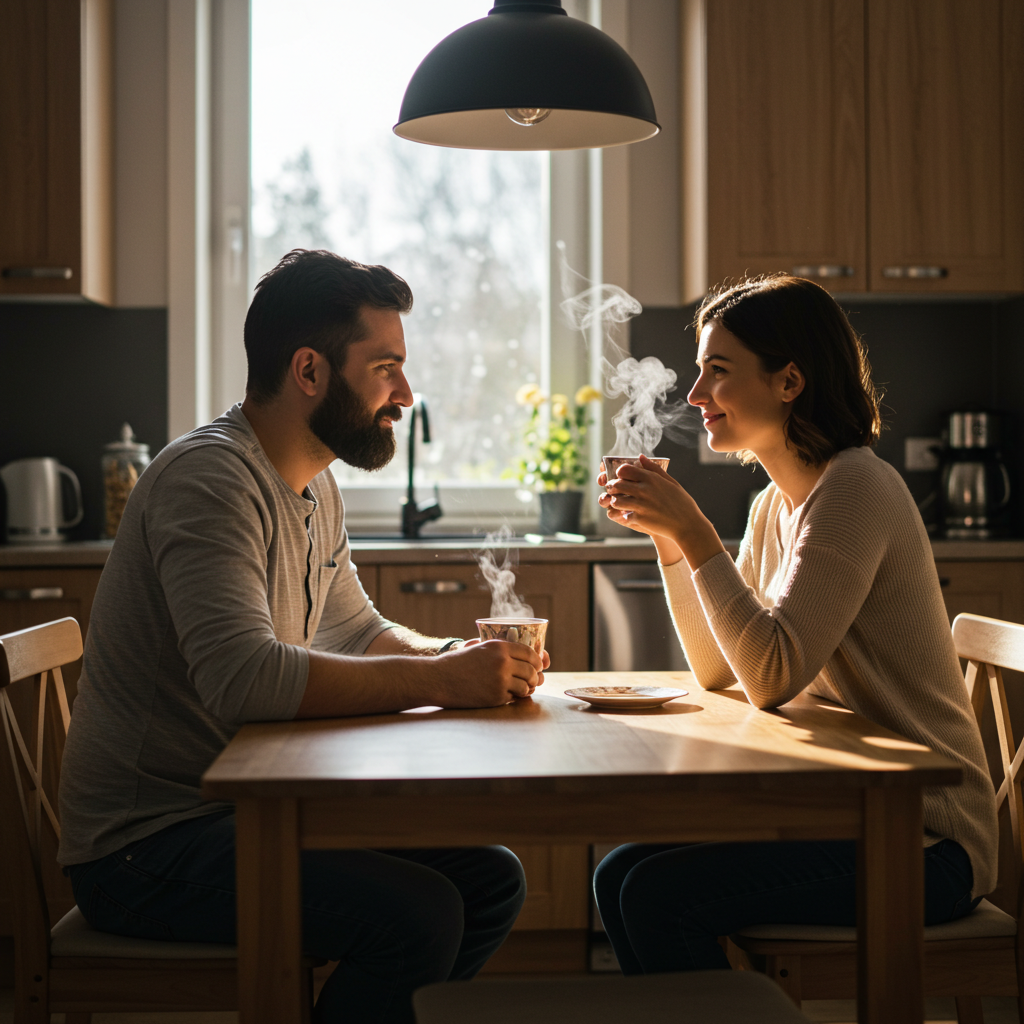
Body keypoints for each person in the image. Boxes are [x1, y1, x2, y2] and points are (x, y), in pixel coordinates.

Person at [57, 249, 548, 1024]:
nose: (407, 395)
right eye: (386, 367)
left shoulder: (313, 480)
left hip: (240, 815)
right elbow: (243, 680)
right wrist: (443, 683)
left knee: (490, 880)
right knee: (416, 916)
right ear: (310, 371)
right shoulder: (210, 481)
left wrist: (453, 657)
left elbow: (354, 628)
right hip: (146, 845)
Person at [593, 274, 999, 975]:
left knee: (659, 895)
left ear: (788, 382)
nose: (695, 396)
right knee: (621, 875)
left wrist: (695, 533)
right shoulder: (774, 506)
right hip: (856, 818)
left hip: (928, 842)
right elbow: (722, 670)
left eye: (716, 372)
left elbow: (773, 676)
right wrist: (669, 541)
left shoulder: (855, 488)